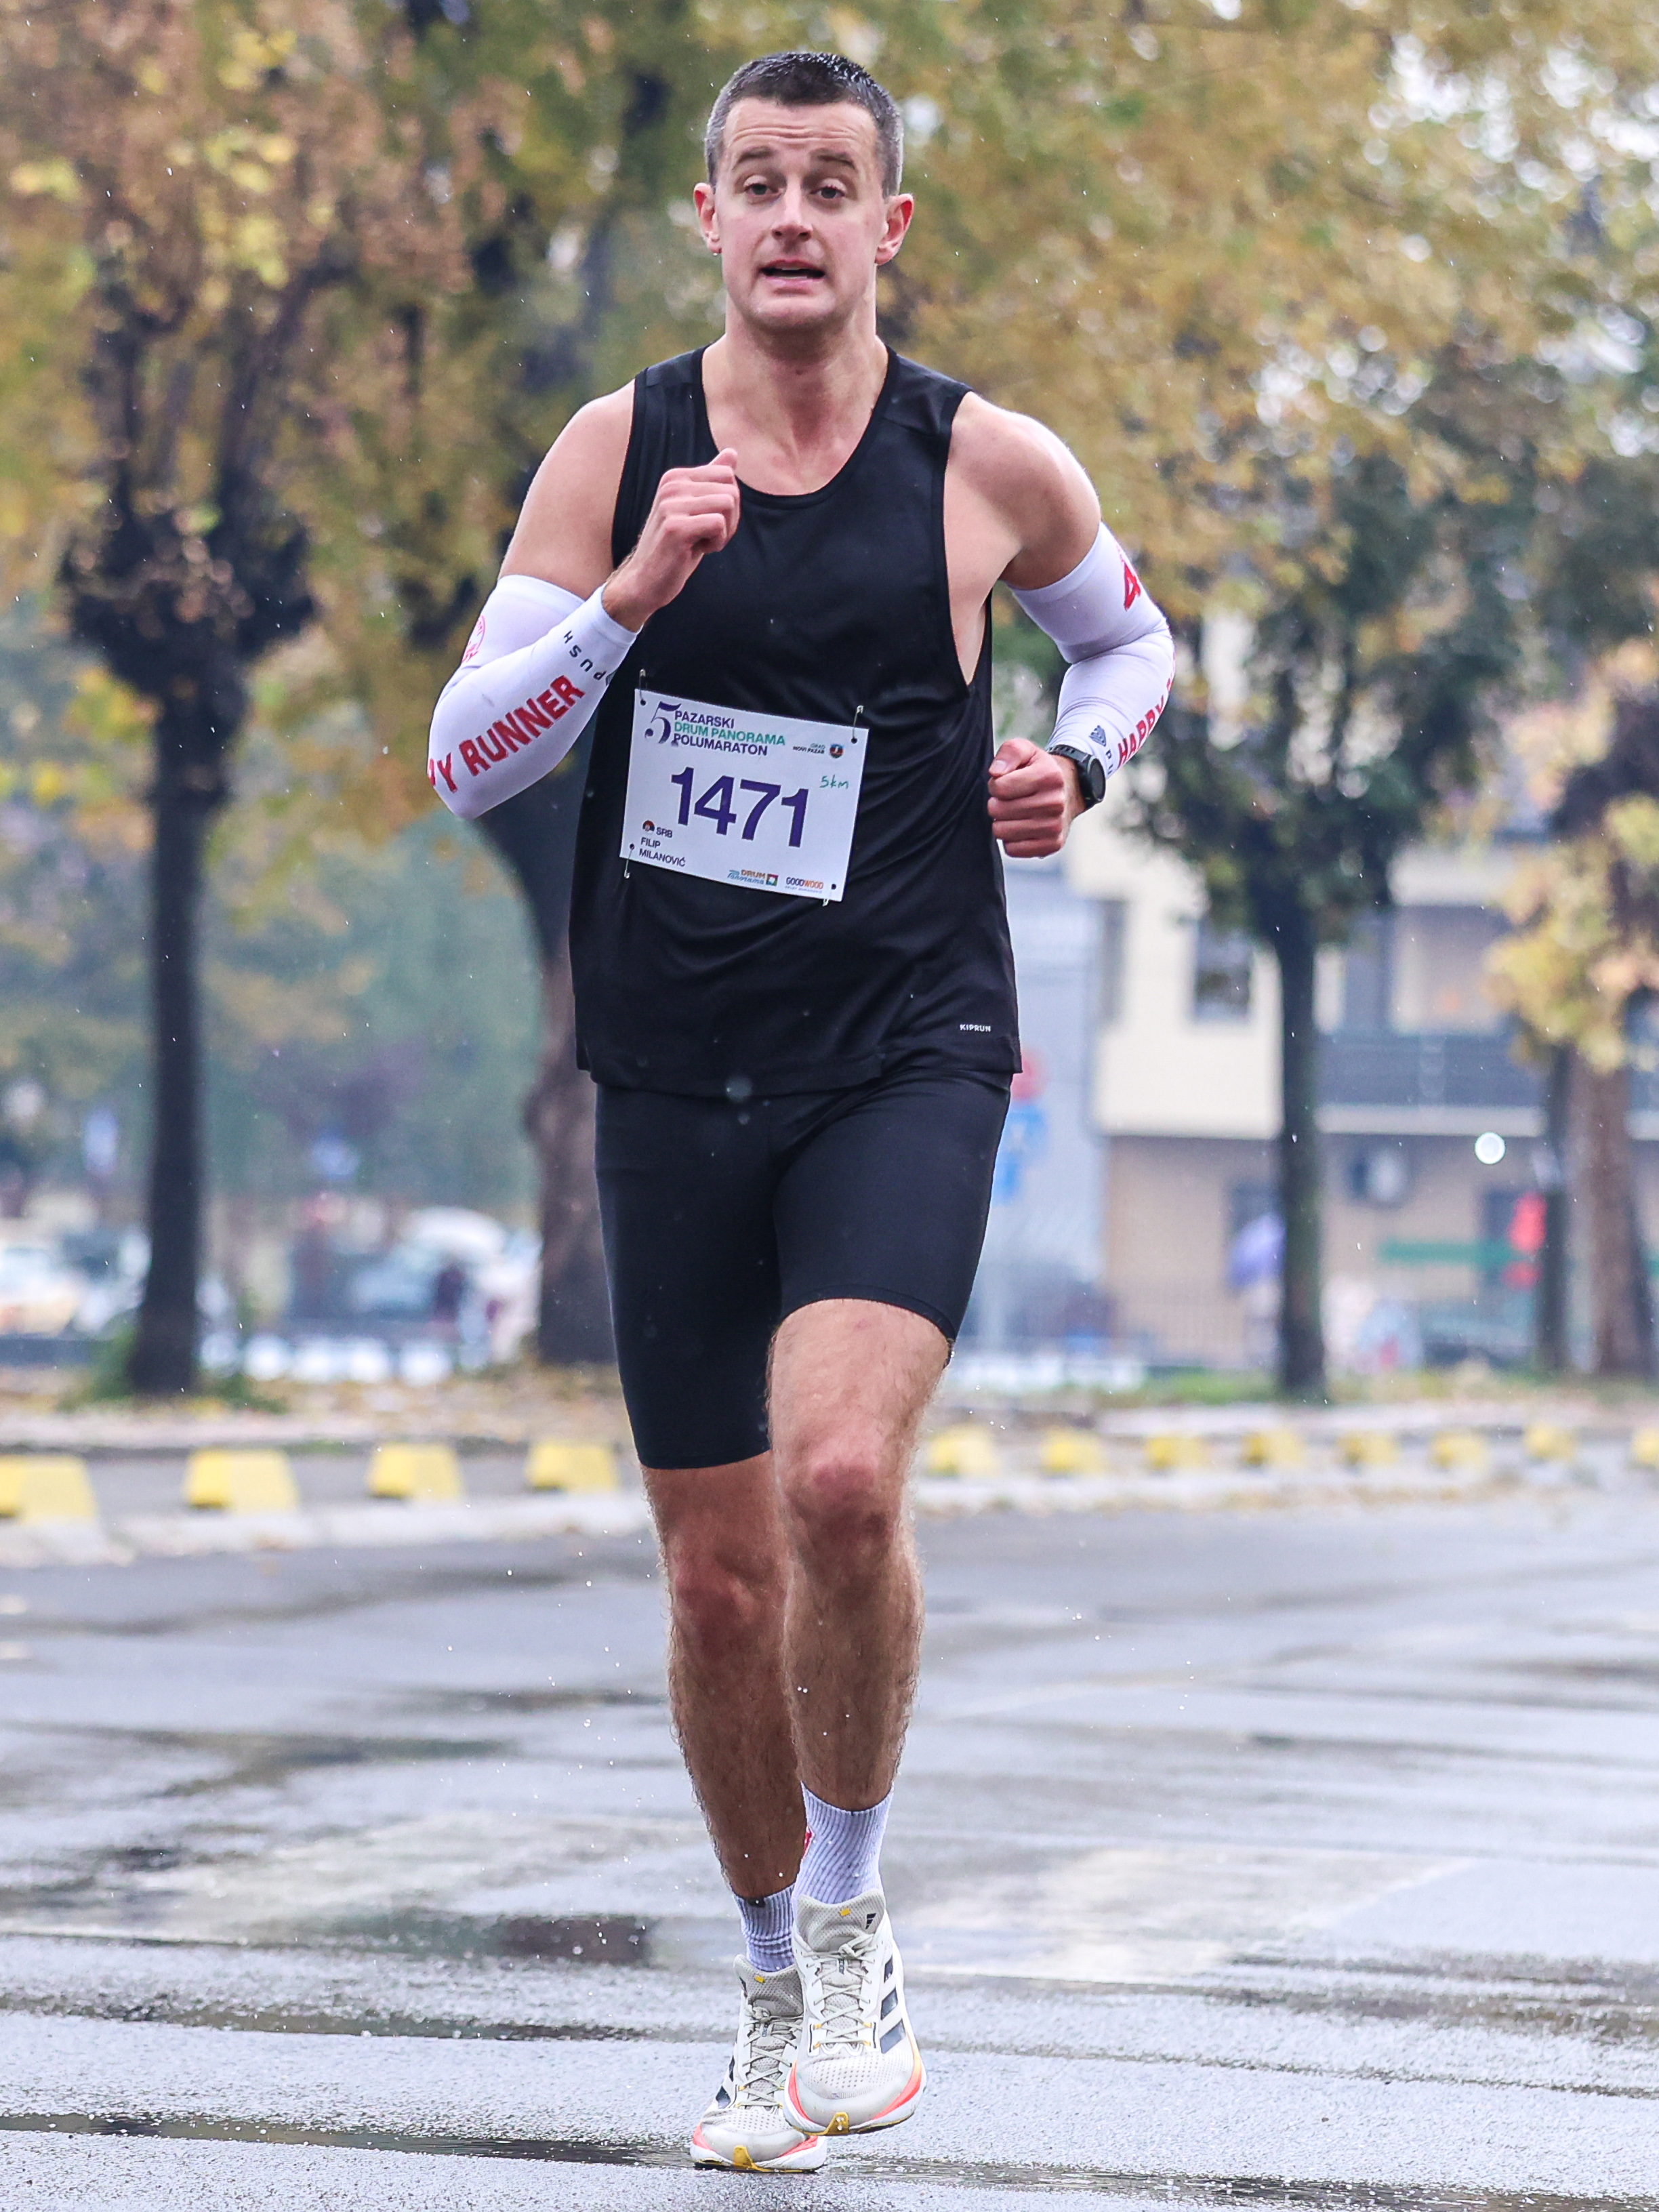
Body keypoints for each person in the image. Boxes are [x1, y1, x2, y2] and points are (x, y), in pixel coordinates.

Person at [428, 49, 1172, 2171]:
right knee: (719, 1587)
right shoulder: (618, 454)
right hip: (673, 1068)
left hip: (908, 1047)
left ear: (886, 229)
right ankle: (768, 1985)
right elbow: (470, 761)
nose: (790, 215)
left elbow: (1133, 655)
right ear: (707, 218)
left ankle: (849, 1923)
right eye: (755, 179)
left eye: (830, 183)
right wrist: (623, 605)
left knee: (843, 1482)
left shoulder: (986, 463)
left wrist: (1076, 766)